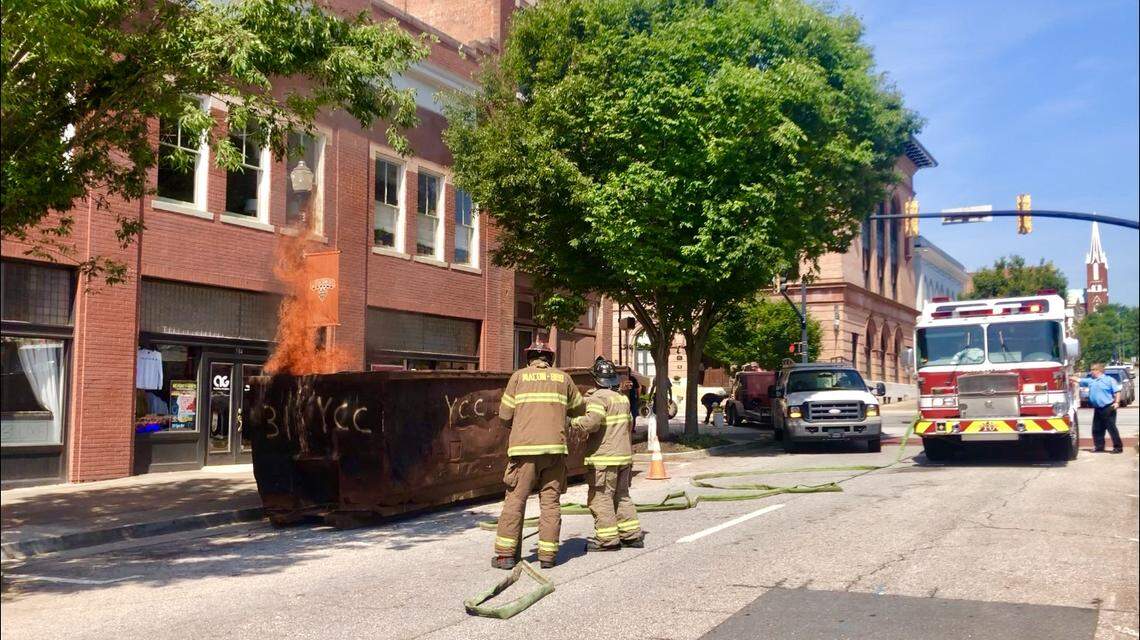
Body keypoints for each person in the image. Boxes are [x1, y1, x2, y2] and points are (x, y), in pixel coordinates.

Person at [492, 340, 584, 570]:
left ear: (529, 356)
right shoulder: (563, 378)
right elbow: (580, 408)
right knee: (550, 502)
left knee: (515, 501)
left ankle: (505, 556)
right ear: (550, 358)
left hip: (523, 451)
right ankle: (548, 556)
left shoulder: (518, 377)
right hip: (554, 450)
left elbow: (504, 415)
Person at [570, 357, 644, 551]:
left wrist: (572, 422)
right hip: (624, 457)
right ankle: (631, 536)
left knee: (601, 497)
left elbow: (592, 423)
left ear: (596, 379)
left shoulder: (598, 398)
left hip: (604, 458)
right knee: (622, 496)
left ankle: (607, 539)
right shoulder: (621, 398)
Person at [1078, 363, 1123, 453]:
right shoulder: (1091, 380)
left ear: (1098, 371)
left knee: (1111, 428)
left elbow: (1117, 391)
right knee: (1097, 429)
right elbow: (1078, 380)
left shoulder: (1109, 380)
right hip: (1097, 408)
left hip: (1108, 407)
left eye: (1093, 370)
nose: (1091, 372)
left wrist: (1117, 402)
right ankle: (1099, 446)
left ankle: (1118, 447)